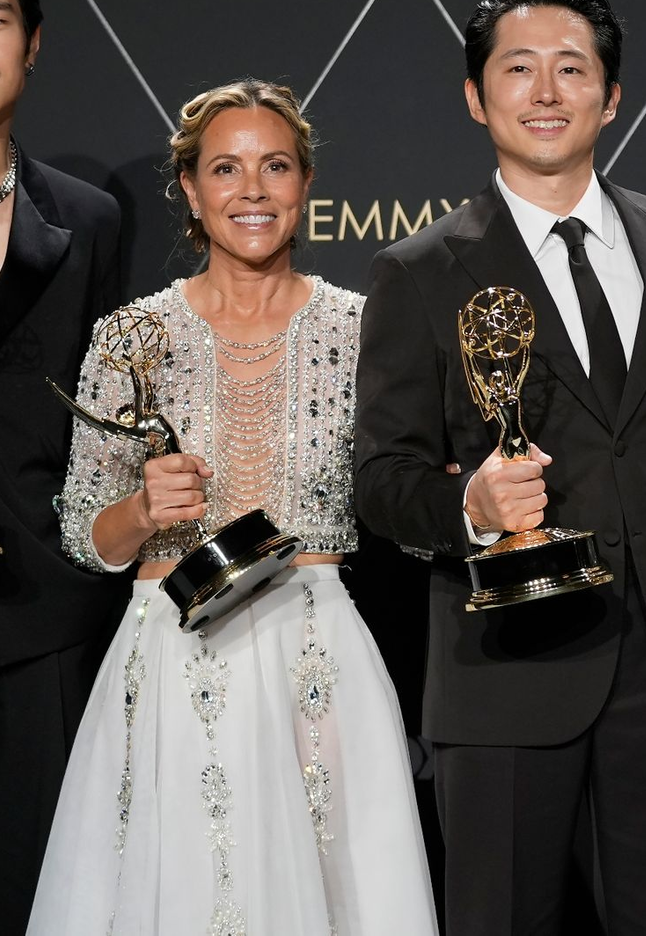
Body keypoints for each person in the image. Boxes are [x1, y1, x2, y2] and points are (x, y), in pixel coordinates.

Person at [355, 0, 646, 933]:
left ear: (613, 94)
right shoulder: (419, 270)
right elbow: (382, 482)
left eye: (573, 68)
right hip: (504, 668)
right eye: (519, 69)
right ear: (478, 97)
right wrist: (472, 505)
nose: (548, 90)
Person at [26, 80, 436, 935]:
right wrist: (141, 511)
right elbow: (82, 531)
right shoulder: (132, 337)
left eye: (274, 165)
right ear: (190, 189)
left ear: (307, 182)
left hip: (317, 660)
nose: (252, 189)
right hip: (173, 657)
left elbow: (407, 488)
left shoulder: (365, 330)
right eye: (226, 168)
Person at [0, 0, 123, 931]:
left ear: (32, 45)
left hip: (40, 608)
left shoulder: (86, 219)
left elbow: (113, 423)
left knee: (46, 890)